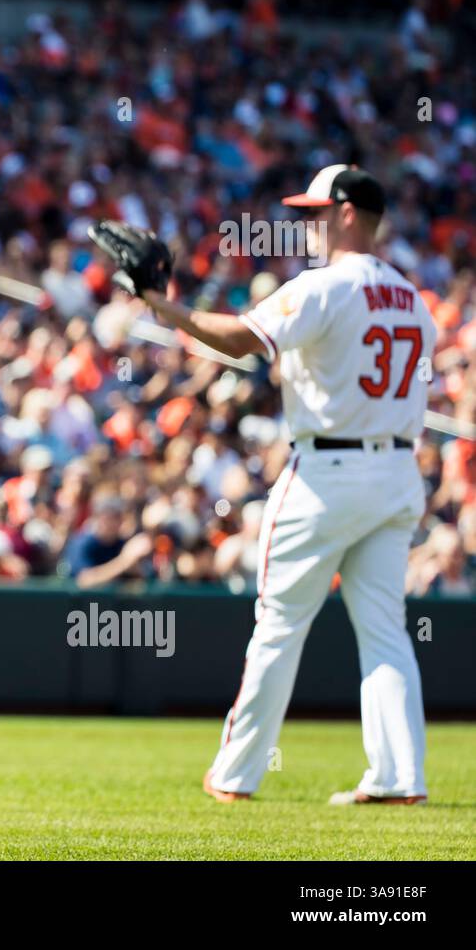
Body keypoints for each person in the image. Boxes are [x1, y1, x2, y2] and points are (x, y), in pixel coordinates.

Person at [136, 166, 435, 804]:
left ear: (349, 213)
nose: (308, 225)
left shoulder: (324, 286)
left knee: (277, 625)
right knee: (385, 629)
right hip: (396, 471)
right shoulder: (411, 296)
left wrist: (165, 307)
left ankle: (236, 775)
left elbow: (241, 339)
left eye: (318, 212)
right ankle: (399, 777)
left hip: (328, 472)